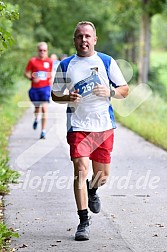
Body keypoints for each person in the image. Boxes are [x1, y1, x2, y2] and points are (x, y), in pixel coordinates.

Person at [51, 21, 129, 241]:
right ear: (74, 40)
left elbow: (125, 90)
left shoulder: (106, 61)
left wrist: (110, 91)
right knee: (80, 169)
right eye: (79, 36)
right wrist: (68, 97)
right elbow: (55, 94)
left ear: (95, 39)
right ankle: (83, 221)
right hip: (78, 125)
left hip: (103, 125)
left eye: (87, 36)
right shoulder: (66, 65)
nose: (83, 40)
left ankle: (93, 190)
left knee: (102, 176)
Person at [24, 42, 53, 139]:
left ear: (47, 51)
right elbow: (26, 73)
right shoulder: (32, 61)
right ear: (38, 51)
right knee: (37, 108)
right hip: (35, 89)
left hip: (45, 88)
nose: (42, 52)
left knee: (44, 108)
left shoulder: (49, 61)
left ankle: (43, 131)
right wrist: (32, 78)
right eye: (40, 50)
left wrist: (51, 80)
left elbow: (50, 73)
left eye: (44, 50)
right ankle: (36, 118)